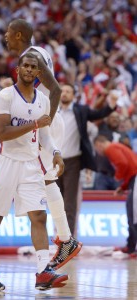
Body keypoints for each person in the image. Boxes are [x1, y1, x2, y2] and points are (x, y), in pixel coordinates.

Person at [0, 53, 69, 291]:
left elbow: (44, 135)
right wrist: (34, 125)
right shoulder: (5, 96)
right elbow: (3, 133)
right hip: (5, 161)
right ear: (17, 69)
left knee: (39, 216)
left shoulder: (43, 101)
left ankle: (42, 272)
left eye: (33, 67)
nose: (29, 69)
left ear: (39, 73)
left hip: (30, 163)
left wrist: (56, 152)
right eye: (25, 65)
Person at [5, 18, 82, 271]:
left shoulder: (33, 56)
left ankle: (66, 239)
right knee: (47, 179)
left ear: (18, 35)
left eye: (8, 33)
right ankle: (65, 238)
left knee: (46, 180)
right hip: (46, 120)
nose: (5, 37)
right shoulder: (40, 52)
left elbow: (57, 90)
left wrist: (46, 123)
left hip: (46, 121)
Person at [57, 84, 118, 235]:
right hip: (53, 162)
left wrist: (111, 105)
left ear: (73, 95)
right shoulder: (52, 111)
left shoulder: (81, 110)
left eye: (68, 91)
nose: (64, 93)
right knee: (55, 202)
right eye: (62, 91)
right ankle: (57, 235)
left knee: (69, 203)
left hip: (72, 161)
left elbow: (98, 114)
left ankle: (68, 239)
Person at [94, 135, 137, 257]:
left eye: (96, 149)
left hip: (135, 179)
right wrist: (123, 187)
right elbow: (130, 167)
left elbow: (122, 164)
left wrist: (118, 177)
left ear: (99, 144)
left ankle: (133, 247)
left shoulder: (110, 148)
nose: (98, 152)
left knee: (134, 215)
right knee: (131, 211)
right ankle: (130, 246)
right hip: (133, 180)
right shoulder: (117, 147)